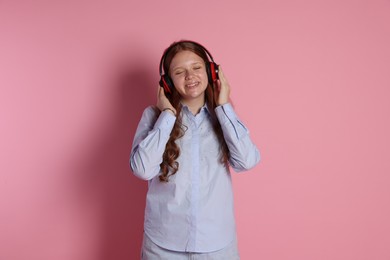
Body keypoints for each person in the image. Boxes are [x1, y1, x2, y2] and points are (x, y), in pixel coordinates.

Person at [130, 40, 260, 259]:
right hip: (163, 245)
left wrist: (223, 106)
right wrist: (168, 116)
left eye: (197, 67)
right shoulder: (153, 117)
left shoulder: (224, 117)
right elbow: (142, 169)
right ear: (168, 83)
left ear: (211, 72)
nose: (190, 76)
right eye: (180, 72)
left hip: (217, 245)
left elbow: (247, 161)